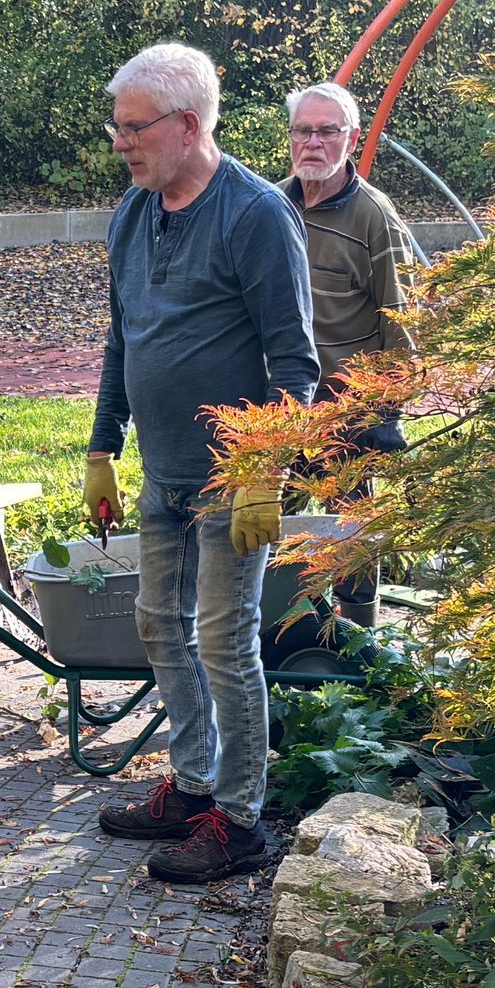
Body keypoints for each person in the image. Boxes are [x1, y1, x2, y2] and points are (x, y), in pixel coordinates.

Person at [87, 43, 321, 884]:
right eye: (116, 127)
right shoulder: (132, 214)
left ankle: (241, 820)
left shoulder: (255, 215)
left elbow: (294, 362)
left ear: (188, 126)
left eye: (135, 127)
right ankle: (192, 788)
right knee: (159, 625)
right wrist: (102, 447)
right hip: (164, 473)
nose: (120, 142)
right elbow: (124, 340)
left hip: (233, 483)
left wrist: (264, 470)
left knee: (224, 641)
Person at [278, 82, 414, 627]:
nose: (313, 142)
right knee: (261, 521)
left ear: (352, 139)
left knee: (353, 530)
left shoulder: (373, 217)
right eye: (303, 131)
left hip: (345, 404)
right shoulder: (271, 206)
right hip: (277, 402)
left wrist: (386, 410)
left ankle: (361, 642)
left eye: (327, 131)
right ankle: (273, 631)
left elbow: (402, 323)